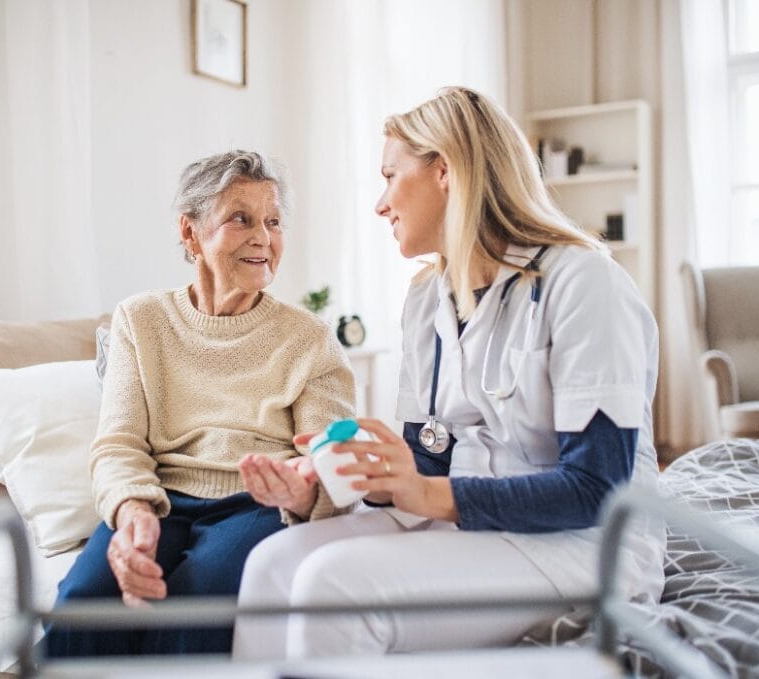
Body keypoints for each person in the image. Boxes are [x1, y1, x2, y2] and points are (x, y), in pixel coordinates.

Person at [233, 87, 666, 659]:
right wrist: (339, 475)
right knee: (271, 563)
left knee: (334, 586)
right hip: (470, 519)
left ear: (445, 170)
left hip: (578, 541)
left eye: (390, 176)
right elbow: (429, 460)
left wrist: (428, 492)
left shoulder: (584, 283)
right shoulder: (425, 301)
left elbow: (597, 490)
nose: (380, 203)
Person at [44, 150, 355, 657]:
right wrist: (130, 511)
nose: (263, 237)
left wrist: (303, 492)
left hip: (257, 505)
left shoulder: (310, 338)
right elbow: (118, 442)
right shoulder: (141, 319)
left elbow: (333, 464)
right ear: (190, 233)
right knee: (85, 601)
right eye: (241, 218)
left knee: (198, 599)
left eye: (273, 222)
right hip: (161, 497)